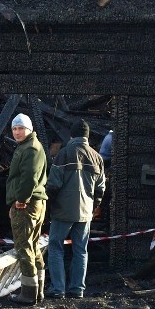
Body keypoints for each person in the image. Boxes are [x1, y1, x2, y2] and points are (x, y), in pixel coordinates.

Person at [46, 119, 106, 299]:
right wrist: (93, 207)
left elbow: (53, 185)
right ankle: (77, 289)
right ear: (87, 136)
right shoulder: (97, 157)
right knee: (81, 250)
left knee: (56, 247)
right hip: (86, 212)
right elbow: (101, 189)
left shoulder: (64, 154)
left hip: (62, 211)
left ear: (72, 135)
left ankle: (58, 289)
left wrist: (50, 208)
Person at [6, 113, 48, 305]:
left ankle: (28, 294)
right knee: (33, 245)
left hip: (28, 203)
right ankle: (38, 291)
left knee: (23, 246)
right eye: (14, 129)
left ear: (29, 129)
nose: (17, 132)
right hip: (35, 202)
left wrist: (21, 200)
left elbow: (28, 177)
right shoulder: (28, 146)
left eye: (21, 128)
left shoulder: (30, 149)